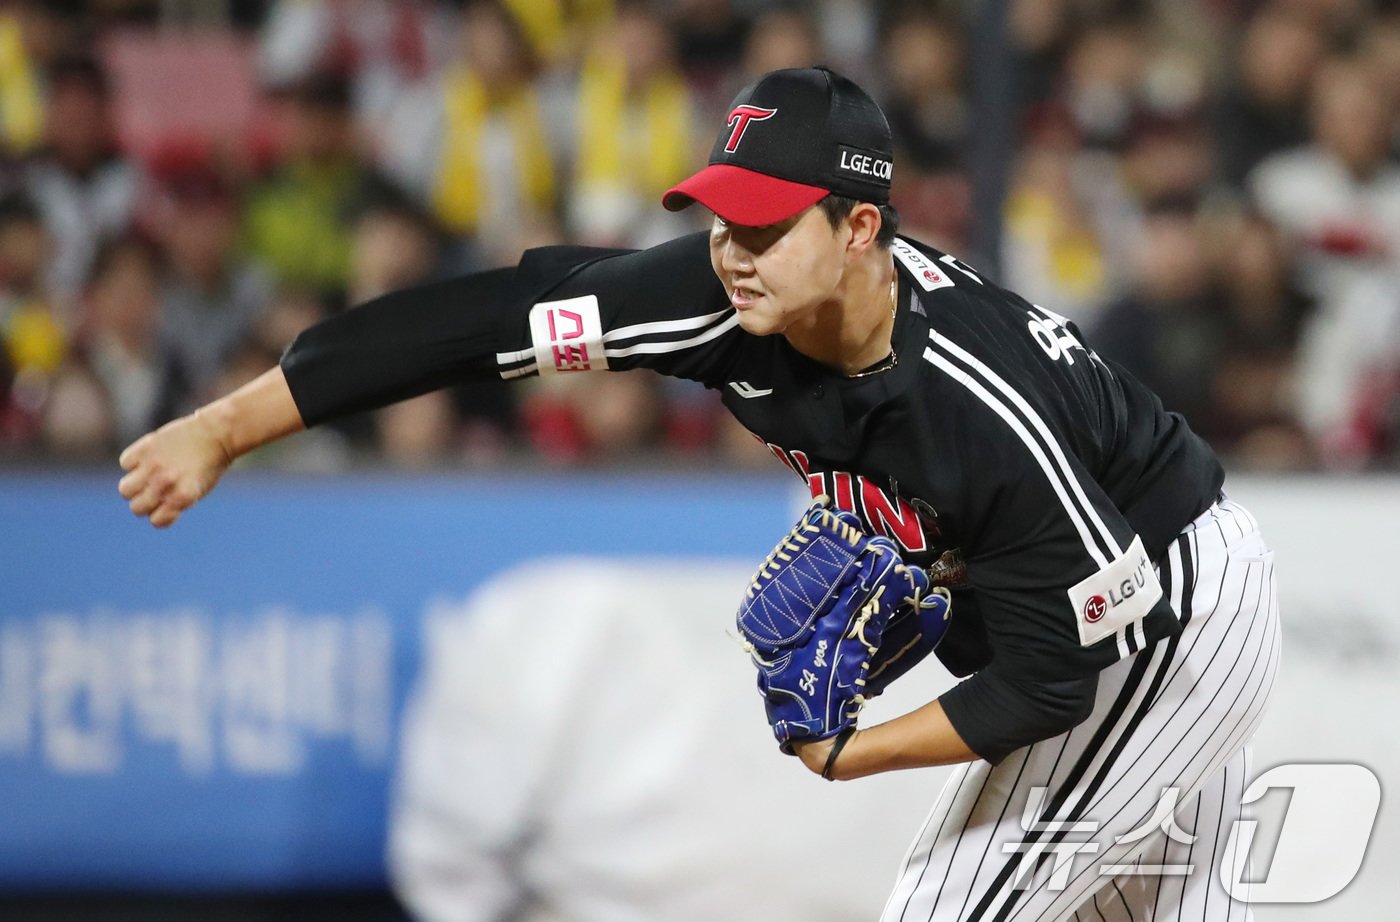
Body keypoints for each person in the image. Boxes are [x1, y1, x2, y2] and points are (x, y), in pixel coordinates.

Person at [118, 67, 1279, 920]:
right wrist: (230, 424)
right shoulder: (718, 299)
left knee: (947, 908)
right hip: (1087, 595)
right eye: (723, 213)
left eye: (767, 226)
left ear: (859, 226)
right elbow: (473, 325)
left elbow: (1047, 677)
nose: (732, 248)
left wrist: (848, 753)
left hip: (1167, 617)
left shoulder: (970, 401)